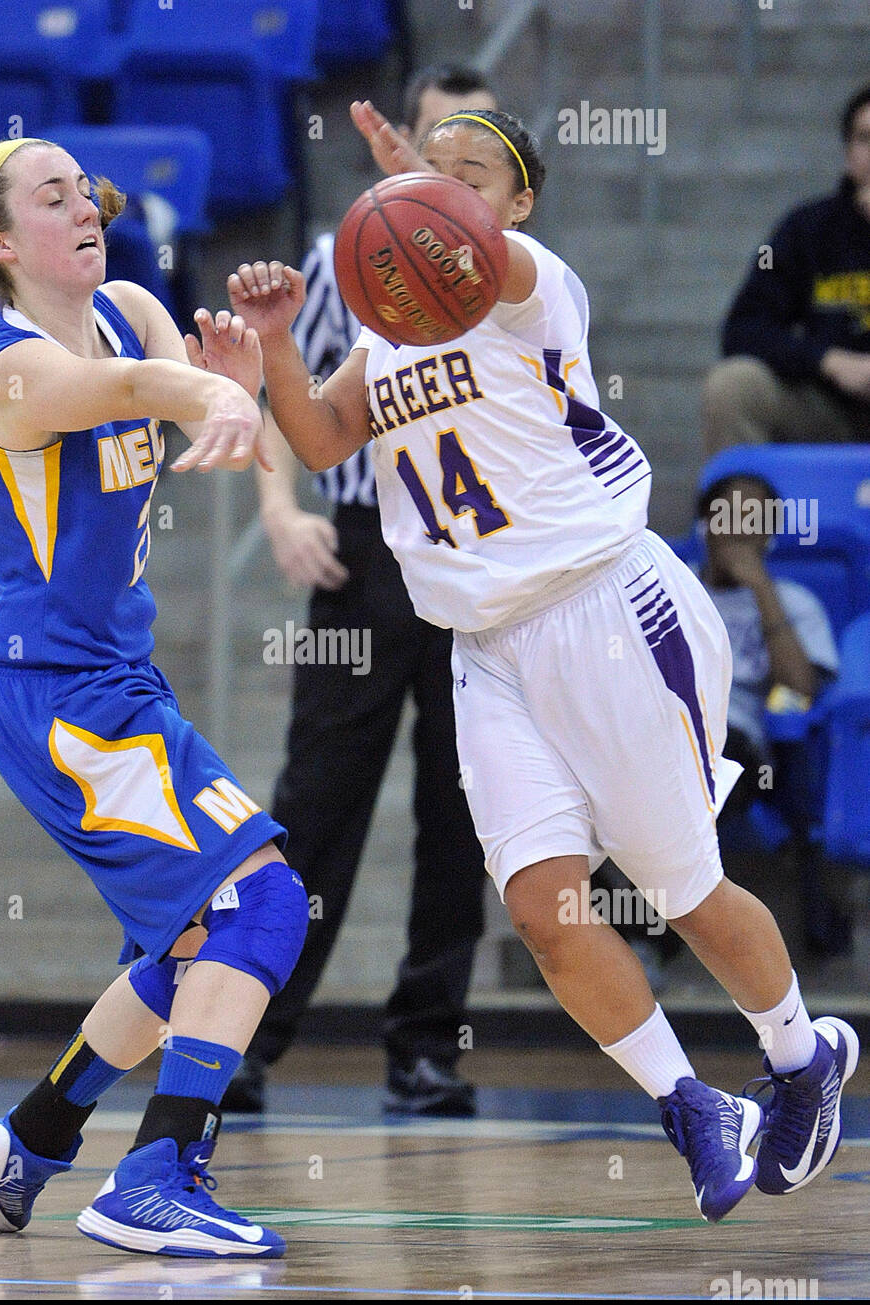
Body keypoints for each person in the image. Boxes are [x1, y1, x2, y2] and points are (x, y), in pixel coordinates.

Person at [212, 101, 860, 1222]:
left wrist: (418, 183)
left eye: (474, 173)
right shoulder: (388, 329)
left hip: (607, 610)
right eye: (432, 168)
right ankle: (688, 1102)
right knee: (544, 911)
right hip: (483, 646)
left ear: (515, 205)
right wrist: (275, 339)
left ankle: (800, 1056)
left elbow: (460, 244)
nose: (444, 183)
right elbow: (319, 441)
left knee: (679, 889)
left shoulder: (530, 287)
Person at [0, 137, 310, 1258]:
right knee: (266, 907)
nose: (84, 201)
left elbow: (204, 401)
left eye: (84, 187)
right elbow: (151, 390)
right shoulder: (13, 373)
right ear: (0, 244)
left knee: (200, 926)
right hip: (55, 700)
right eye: (49, 196)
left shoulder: (133, 305)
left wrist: (243, 411)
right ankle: (155, 1173)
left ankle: (29, 1142)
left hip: (110, 682)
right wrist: (207, 391)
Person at [226, 65, 499, 1119]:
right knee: (313, 806)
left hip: (472, 559)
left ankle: (426, 1049)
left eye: (464, 149)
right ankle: (243, 1035)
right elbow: (262, 376)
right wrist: (277, 513)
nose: (438, 162)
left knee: (462, 807)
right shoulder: (350, 257)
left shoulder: (514, 278)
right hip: (365, 549)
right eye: (428, 140)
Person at [695, 473, 850, 958]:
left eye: (755, 519)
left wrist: (760, 588)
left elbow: (799, 689)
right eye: (729, 516)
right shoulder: (674, 590)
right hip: (658, 731)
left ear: (771, 534)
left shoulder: (794, 603)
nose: (740, 529)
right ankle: (645, 932)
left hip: (738, 744)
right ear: (705, 528)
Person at [702, 84, 870, 457]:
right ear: (848, 154)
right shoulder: (808, 229)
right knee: (733, 386)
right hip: (829, 413)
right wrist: (828, 360)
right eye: (867, 139)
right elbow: (743, 330)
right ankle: (742, 516)